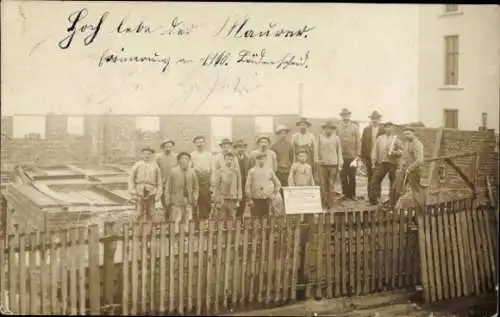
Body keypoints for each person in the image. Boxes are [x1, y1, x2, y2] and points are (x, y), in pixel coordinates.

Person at [369, 122, 403, 207]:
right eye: (386, 127)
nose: (388, 129)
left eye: (390, 127)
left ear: (393, 129)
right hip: (382, 163)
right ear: (384, 129)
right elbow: (374, 150)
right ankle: (374, 200)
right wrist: (373, 161)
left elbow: (402, 151)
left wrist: (395, 152)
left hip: (392, 163)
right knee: (374, 181)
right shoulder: (380, 138)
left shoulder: (396, 139)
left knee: (393, 182)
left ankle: (392, 201)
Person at [164, 152, 199, 232]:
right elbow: (168, 187)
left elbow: (196, 187)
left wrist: (194, 197)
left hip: (188, 202)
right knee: (176, 221)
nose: (184, 160)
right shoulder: (173, 172)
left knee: (187, 221)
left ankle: (185, 239)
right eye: (182, 159)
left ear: (189, 160)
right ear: (179, 160)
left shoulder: (192, 172)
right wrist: (168, 199)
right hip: (176, 201)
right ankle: (175, 240)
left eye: (186, 159)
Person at [393, 126, 425, 210]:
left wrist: (410, 168)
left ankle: (421, 210)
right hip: (405, 170)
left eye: (408, 134)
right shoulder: (406, 143)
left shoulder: (418, 144)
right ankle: (396, 208)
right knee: (397, 187)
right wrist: (401, 167)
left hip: (414, 171)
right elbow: (404, 157)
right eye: (404, 134)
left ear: (413, 134)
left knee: (416, 191)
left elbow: (419, 160)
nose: (406, 136)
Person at [128, 147, 163, 220]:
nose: (147, 156)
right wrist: (133, 192)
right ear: (141, 155)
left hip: (151, 191)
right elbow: (131, 179)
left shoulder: (155, 165)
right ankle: (138, 229)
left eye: (149, 154)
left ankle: (149, 229)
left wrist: (158, 194)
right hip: (139, 191)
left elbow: (159, 181)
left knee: (151, 212)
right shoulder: (137, 164)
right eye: (145, 154)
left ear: (152, 155)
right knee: (139, 212)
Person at [315, 120, 343, 209]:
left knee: (331, 184)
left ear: (333, 129)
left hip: (333, 164)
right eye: (327, 128)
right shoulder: (320, 137)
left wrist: (340, 164)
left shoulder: (336, 138)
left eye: (330, 129)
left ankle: (331, 203)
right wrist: (317, 161)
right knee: (323, 184)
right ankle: (324, 202)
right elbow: (316, 150)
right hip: (323, 165)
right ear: (324, 129)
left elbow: (339, 152)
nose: (329, 130)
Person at [245, 152, 281, 217]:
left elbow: (278, 183)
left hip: (267, 199)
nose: (261, 161)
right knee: (255, 219)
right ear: (256, 160)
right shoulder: (252, 171)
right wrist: (249, 199)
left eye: (263, 159)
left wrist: (274, 194)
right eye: (259, 159)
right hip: (255, 199)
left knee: (266, 219)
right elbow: (248, 186)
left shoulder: (270, 170)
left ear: (266, 160)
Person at [337, 108, 361, 201]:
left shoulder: (354, 127)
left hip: (352, 156)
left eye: (347, 115)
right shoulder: (338, 127)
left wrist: (358, 154)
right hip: (342, 156)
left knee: (352, 176)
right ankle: (345, 194)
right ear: (341, 116)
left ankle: (352, 194)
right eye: (343, 115)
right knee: (343, 176)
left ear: (349, 116)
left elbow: (358, 142)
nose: (345, 117)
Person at [361, 111, 385, 200]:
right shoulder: (366, 130)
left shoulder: (383, 130)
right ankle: (370, 196)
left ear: (379, 119)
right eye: (373, 118)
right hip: (368, 157)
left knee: (378, 177)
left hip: (379, 157)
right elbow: (363, 143)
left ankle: (377, 196)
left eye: (376, 119)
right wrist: (363, 157)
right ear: (371, 119)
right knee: (370, 177)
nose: (375, 120)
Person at [212, 152, 243, 220]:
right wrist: (216, 199)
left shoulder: (236, 171)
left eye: (231, 159)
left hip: (233, 198)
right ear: (224, 160)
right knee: (222, 217)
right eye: (228, 159)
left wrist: (239, 197)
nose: (229, 161)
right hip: (223, 198)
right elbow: (217, 186)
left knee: (232, 217)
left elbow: (239, 185)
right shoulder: (220, 171)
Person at [190, 135, 213, 221]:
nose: (199, 144)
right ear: (195, 144)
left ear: (204, 143)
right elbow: (190, 168)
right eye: (197, 142)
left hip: (206, 179)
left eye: (201, 142)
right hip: (195, 178)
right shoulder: (192, 155)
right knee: (195, 199)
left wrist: (211, 183)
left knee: (206, 200)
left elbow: (211, 169)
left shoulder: (209, 154)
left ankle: (205, 219)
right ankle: (195, 220)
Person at [156, 139, 178, 218]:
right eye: (166, 147)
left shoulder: (176, 156)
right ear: (163, 147)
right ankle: (167, 219)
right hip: (163, 183)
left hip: (174, 183)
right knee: (165, 202)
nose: (168, 148)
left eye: (170, 147)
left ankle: (172, 219)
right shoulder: (158, 157)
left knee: (173, 202)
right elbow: (156, 170)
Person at [271, 125, 294, 191]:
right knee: (279, 187)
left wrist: (289, 167)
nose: (283, 135)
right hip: (278, 171)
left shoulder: (289, 145)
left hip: (287, 171)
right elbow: (273, 160)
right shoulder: (274, 146)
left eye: (285, 133)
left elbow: (291, 158)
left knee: (287, 188)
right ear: (278, 134)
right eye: (281, 133)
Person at [234, 139, 251, 217]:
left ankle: (240, 219)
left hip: (244, 182)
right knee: (234, 200)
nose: (241, 149)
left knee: (243, 201)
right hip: (235, 183)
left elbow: (250, 170)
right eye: (239, 147)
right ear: (236, 148)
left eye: (242, 147)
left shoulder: (247, 159)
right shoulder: (233, 159)